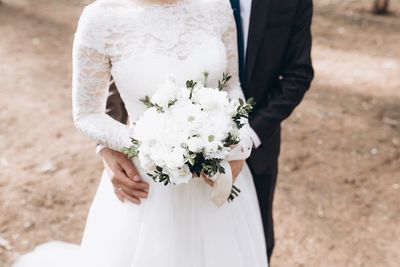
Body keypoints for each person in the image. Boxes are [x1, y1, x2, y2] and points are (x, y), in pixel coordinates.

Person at [12, 0, 283, 266]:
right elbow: (87, 114)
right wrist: (155, 146)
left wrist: (238, 145)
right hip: (148, 184)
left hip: (217, 177)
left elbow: (232, 87)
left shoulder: (217, 6)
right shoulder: (100, 19)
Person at [101, 0, 314, 262]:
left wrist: (243, 141)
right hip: (156, 166)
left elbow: (297, 75)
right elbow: (122, 62)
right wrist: (106, 145)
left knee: (250, 248)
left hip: (257, 151)